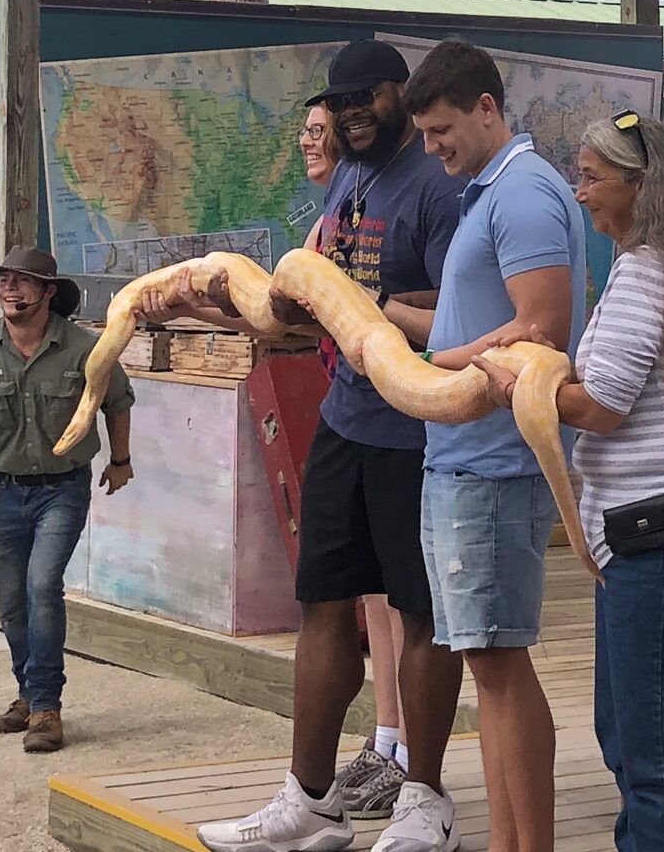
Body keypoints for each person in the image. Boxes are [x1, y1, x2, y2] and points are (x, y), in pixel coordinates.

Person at [179, 39, 468, 852]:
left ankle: (425, 799)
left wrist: (379, 306)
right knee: (322, 604)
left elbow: (458, 312)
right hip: (345, 416)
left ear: (397, 94)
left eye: (361, 102)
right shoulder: (350, 175)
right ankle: (310, 800)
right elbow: (316, 281)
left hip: (415, 431)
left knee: (420, 613)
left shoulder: (437, 188)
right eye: (336, 107)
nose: (347, 118)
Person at [477, 109, 664, 851]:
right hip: (657, 540)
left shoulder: (647, 270)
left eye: (593, 177)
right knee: (632, 737)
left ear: (640, 186)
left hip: (663, 540)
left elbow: (597, 407)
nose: (581, 191)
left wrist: (516, 384)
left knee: (655, 760)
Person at [404, 40, 587, 852]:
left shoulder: (523, 194)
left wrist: (444, 359)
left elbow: (542, 332)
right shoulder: (486, 191)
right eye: (425, 133)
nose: (433, 146)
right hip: (458, 458)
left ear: (487, 108)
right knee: (487, 663)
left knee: (502, 665)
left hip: (492, 463)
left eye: (443, 129)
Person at [0, 244, 134, 755]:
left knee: (43, 586)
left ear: (48, 293)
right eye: (3, 279)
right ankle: (27, 694)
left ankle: (47, 707)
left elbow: (117, 402)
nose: (9, 288)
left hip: (61, 488)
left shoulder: (86, 347)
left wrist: (121, 459)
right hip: (1, 490)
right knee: (10, 602)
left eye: (22, 281)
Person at [303, 95, 411, 817]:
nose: (313, 142)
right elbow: (296, 301)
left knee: (401, 596)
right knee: (362, 594)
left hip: (398, 420)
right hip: (344, 404)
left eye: (321, 131)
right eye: (308, 131)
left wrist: (381, 308)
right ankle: (384, 738)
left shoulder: (410, 192)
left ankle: (402, 750)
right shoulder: (336, 209)